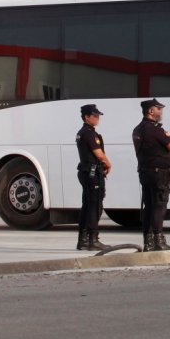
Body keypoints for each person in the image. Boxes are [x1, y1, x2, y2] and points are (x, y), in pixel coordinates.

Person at [132, 98, 170, 252]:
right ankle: (158, 240)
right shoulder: (155, 129)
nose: (161, 112)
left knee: (149, 206)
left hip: (144, 172)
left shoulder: (137, 129)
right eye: (159, 109)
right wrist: (168, 135)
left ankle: (148, 241)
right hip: (158, 173)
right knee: (159, 205)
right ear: (151, 111)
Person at [76, 104, 111, 251]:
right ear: (86, 117)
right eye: (95, 116)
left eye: (98, 116)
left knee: (87, 206)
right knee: (94, 206)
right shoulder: (89, 133)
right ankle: (93, 240)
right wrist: (108, 164)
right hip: (92, 172)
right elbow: (99, 154)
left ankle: (83, 240)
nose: (97, 119)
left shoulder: (83, 132)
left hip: (86, 171)